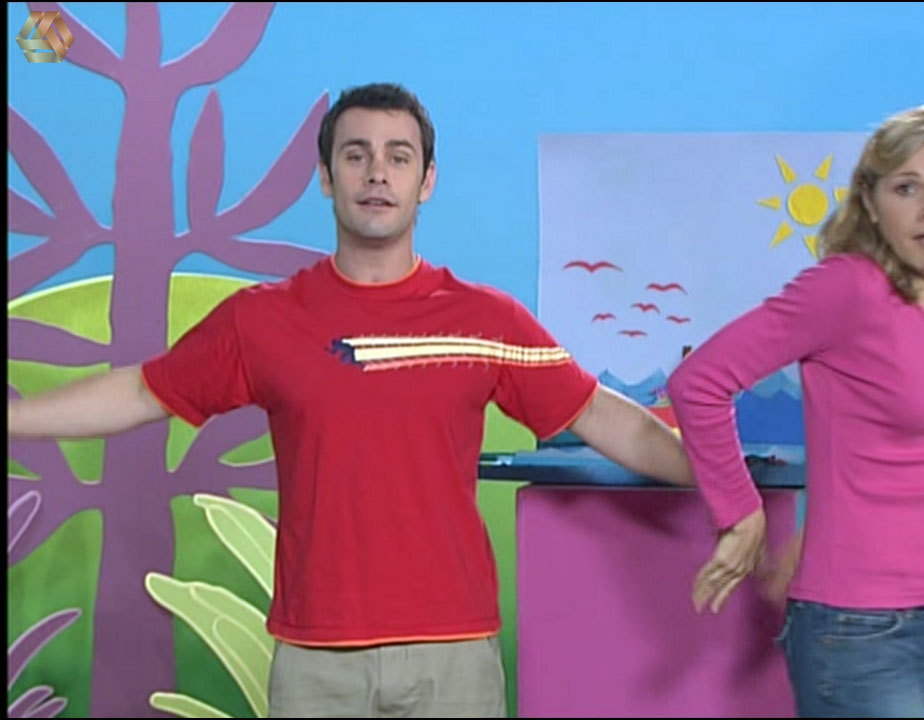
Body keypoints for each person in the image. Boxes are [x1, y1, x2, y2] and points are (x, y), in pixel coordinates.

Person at [8, 82, 693, 718]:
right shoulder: (262, 320)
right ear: (326, 176)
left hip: (453, 655)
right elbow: (141, 389)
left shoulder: (487, 321)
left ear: (426, 181)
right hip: (316, 660)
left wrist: (719, 478)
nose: (377, 174)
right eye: (357, 155)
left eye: (399, 157)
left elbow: (598, 414)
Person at [667, 105, 924, 718]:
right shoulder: (845, 288)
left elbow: (908, 444)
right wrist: (740, 514)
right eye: (907, 188)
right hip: (863, 631)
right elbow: (700, 382)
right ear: (871, 203)